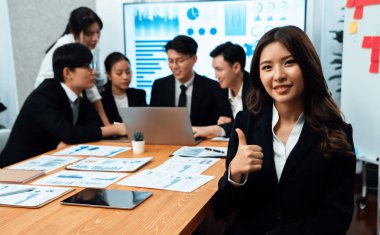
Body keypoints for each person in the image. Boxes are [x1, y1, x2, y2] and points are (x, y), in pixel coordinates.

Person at [214, 26, 356, 235]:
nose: (278, 76)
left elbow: (338, 217)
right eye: (267, 67)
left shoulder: (337, 133)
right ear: (259, 74)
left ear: (308, 65)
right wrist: (234, 174)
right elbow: (223, 208)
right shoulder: (245, 124)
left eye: (289, 62)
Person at [0, 43, 126, 167]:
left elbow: (92, 125)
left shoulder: (82, 93)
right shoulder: (44, 96)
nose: (94, 72)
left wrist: (73, 139)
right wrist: (115, 129)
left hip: (51, 162)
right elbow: (69, 133)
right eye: (88, 67)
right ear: (67, 73)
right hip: (17, 168)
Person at [35, 6, 111, 126]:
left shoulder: (91, 47)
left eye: (98, 32)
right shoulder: (67, 46)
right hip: (52, 98)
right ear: (76, 32)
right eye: (89, 33)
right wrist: (108, 125)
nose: (95, 38)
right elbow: (91, 89)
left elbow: (99, 79)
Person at [150, 35, 231, 126]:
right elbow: (153, 121)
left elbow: (225, 122)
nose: (174, 66)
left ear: (194, 59)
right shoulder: (160, 86)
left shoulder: (212, 87)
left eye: (180, 61)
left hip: (202, 139)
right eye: (171, 61)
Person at [192, 42, 251, 138]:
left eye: (219, 69)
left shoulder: (257, 89)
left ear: (236, 67)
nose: (216, 76)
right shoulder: (218, 89)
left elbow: (252, 124)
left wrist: (221, 128)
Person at [101, 52, 147, 123]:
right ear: (108, 75)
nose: (125, 77)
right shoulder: (101, 99)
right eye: (119, 73)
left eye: (128, 72)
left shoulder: (139, 95)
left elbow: (145, 122)